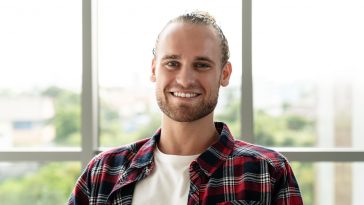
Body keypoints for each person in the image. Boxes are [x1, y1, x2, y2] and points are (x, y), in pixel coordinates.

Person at [68, 11, 303, 205]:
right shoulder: (103, 172)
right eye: (172, 63)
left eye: (201, 65)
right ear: (153, 70)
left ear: (224, 73)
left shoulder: (267, 173)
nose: (185, 79)